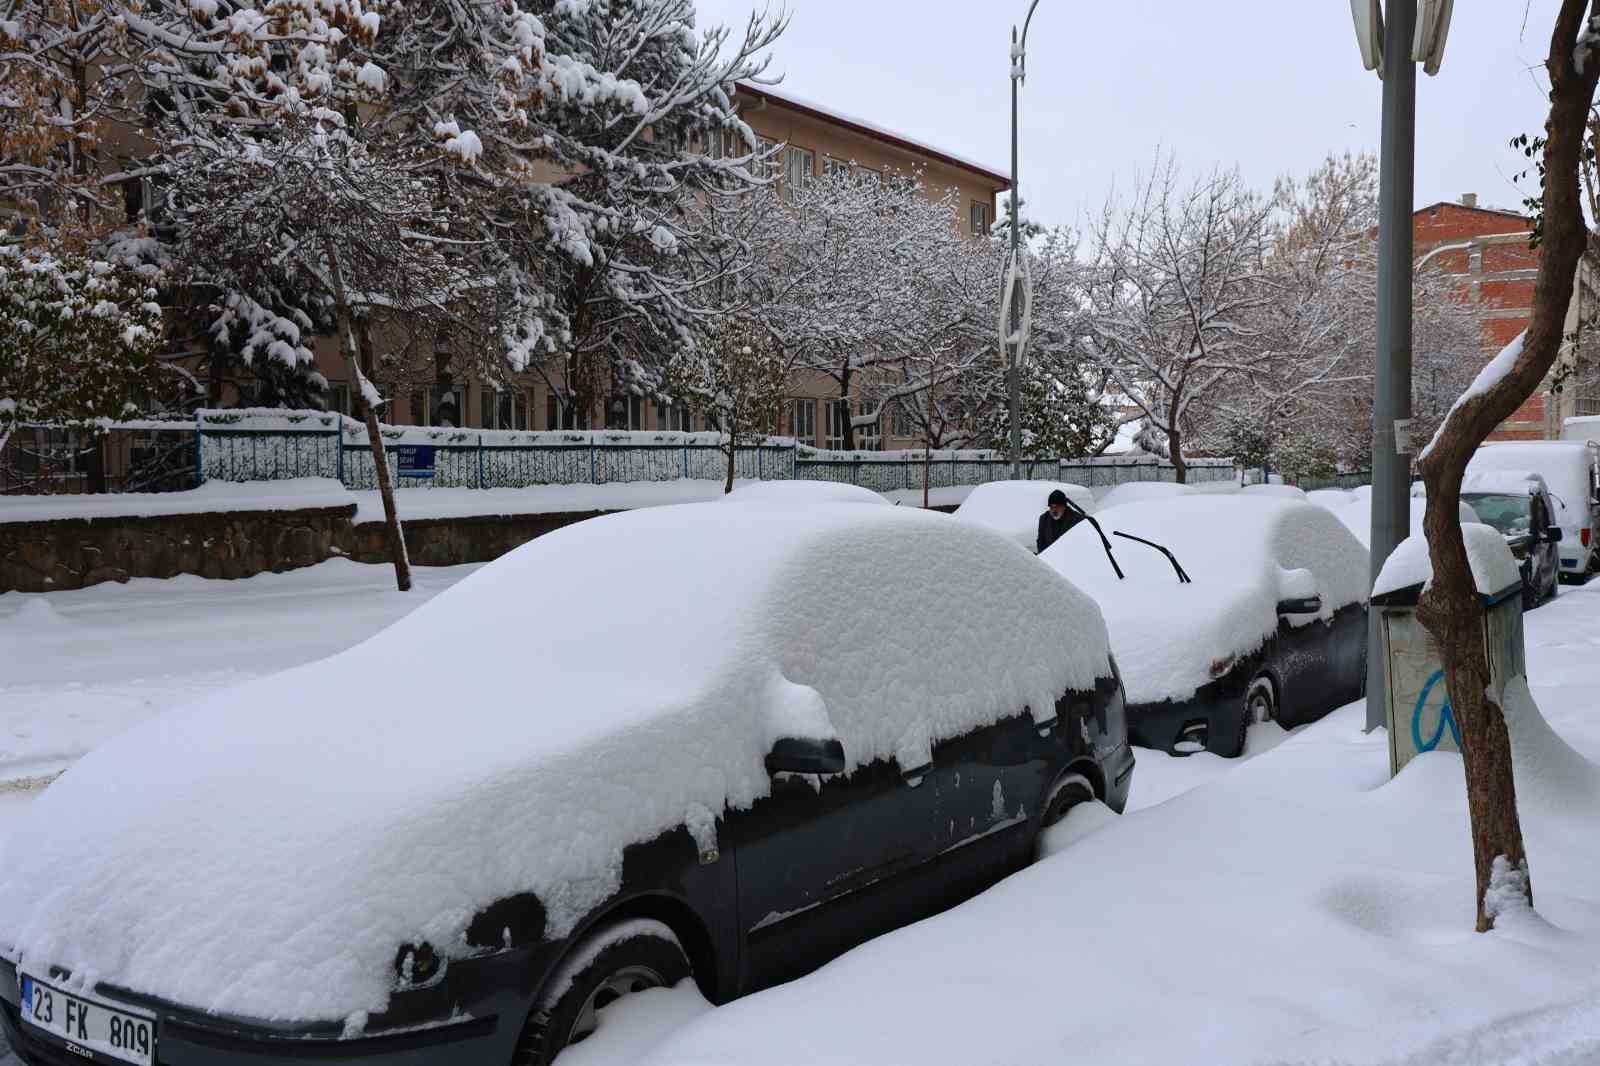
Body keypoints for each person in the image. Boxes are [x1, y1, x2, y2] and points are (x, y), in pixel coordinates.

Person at [1036, 489, 1082, 554]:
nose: (1054, 510)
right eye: (1051, 507)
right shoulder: (1044, 519)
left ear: (1064, 507)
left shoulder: (1076, 519)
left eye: (1057, 507)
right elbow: (1041, 542)